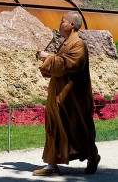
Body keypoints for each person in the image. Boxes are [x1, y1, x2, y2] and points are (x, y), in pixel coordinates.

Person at [33, 11, 100, 176]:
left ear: (72, 25)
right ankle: (52, 164)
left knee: (77, 128)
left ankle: (93, 156)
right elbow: (61, 63)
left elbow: (71, 64)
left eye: (63, 21)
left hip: (72, 96)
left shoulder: (79, 44)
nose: (60, 24)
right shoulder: (65, 43)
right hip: (57, 93)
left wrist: (48, 57)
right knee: (54, 127)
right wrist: (49, 59)